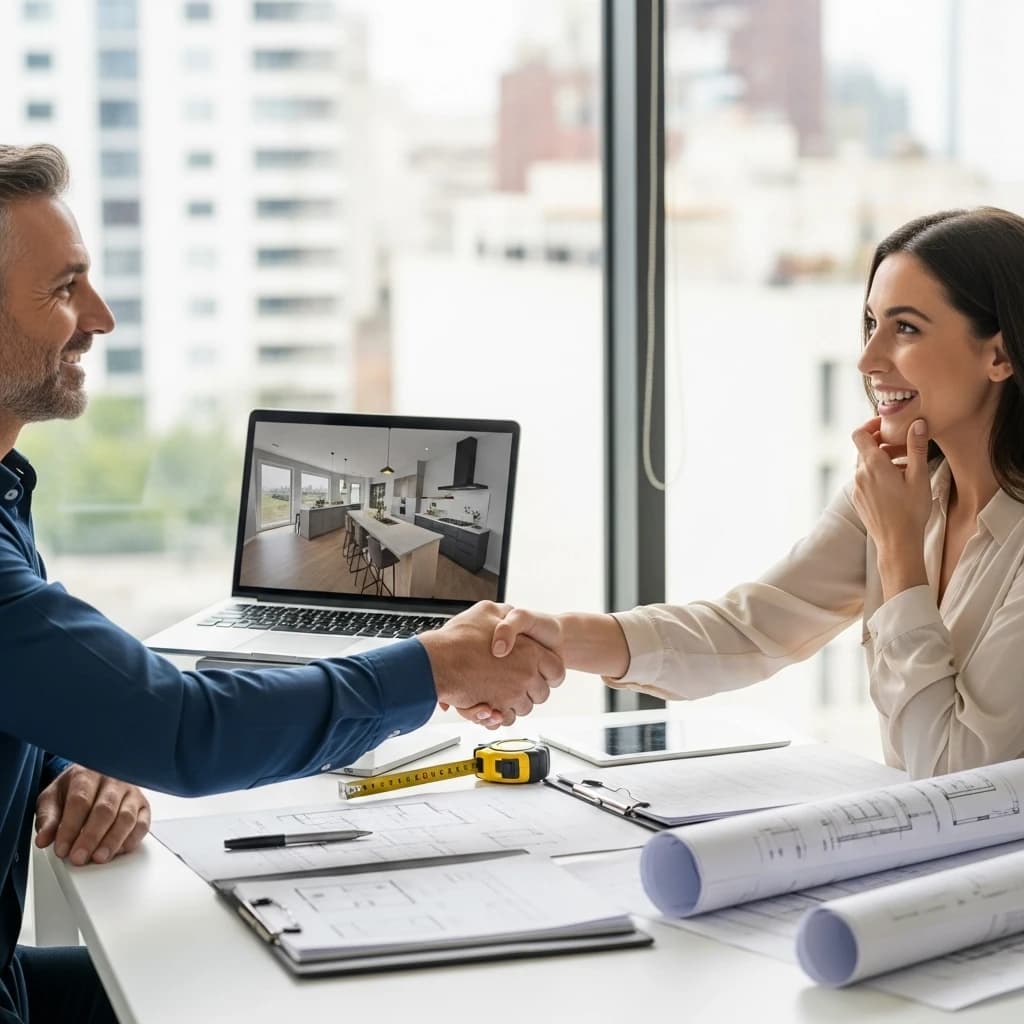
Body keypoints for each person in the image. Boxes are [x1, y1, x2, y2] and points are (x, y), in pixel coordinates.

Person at [0, 143, 562, 1024]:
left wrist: (68, 755)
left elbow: (46, 690)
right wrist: (436, 666)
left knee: (256, 973)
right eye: (65, 289)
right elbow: (186, 729)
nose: (101, 318)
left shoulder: (5, 488)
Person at [489, 206, 1024, 784]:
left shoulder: (903, 515)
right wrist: (556, 637)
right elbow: (746, 631)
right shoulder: (897, 492)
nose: (868, 360)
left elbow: (955, 775)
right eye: (871, 324)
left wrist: (898, 552)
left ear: (999, 355)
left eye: (907, 328)